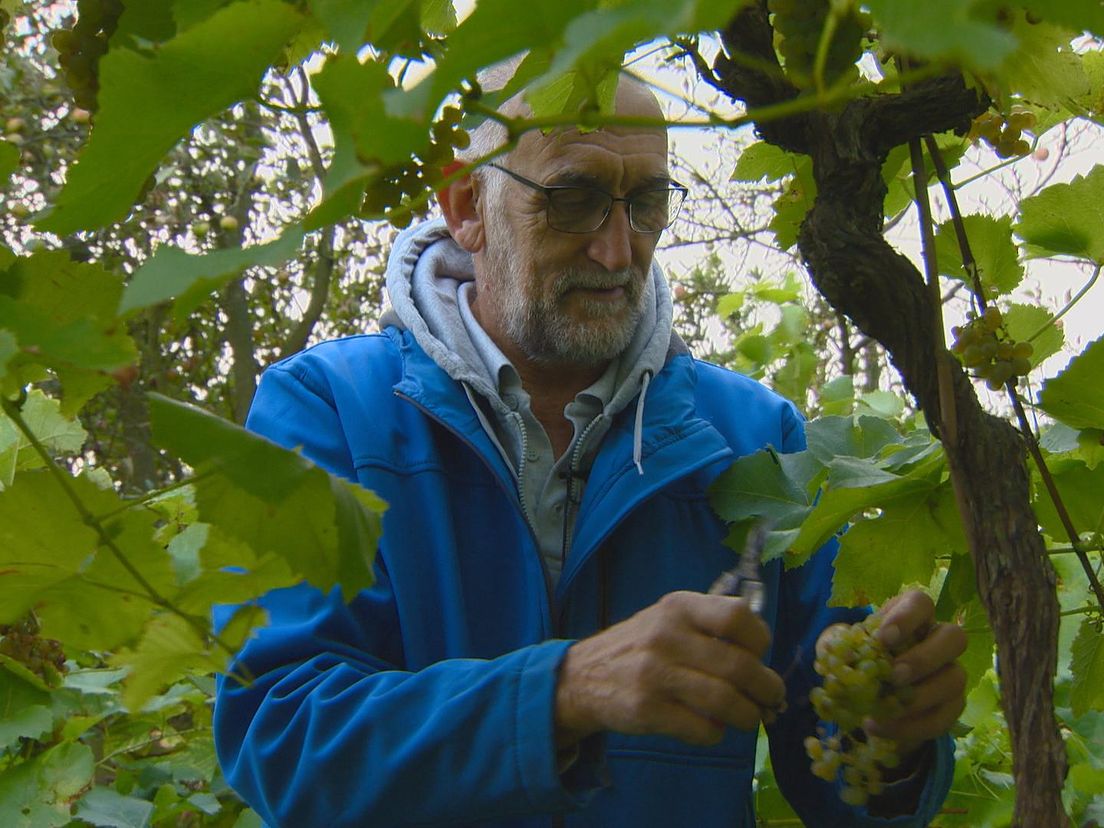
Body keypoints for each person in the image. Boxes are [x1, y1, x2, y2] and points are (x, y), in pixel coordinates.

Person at [214, 66, 967, 827]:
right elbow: (280, 734)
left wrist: (892, 734)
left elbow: (835, 761)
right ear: (467, 205)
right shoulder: (330, 413)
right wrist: (562, 694)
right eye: (573, 200)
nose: (618, 250)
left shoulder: (755, 438)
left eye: (647, 203)